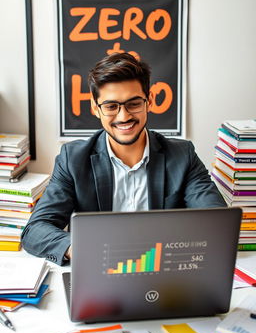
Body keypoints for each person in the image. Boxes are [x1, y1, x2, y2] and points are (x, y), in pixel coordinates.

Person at [21, 52, 226, 265]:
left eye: (134, 103)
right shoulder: (72, 160)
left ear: (150, 101)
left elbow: (217, 223)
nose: (123, 116)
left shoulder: (183, 156)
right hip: (100, 273)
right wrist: (83, 249)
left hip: (165, 272)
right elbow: (35, 231)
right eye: (111, 106)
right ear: (95, 108)